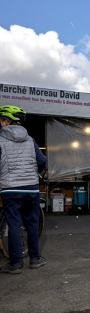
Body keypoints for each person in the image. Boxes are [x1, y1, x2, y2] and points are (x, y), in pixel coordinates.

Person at [0, 105, 47, 275]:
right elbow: (42, 161)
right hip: (31, 189)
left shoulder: (0, 139)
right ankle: (35, 259)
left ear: (6, 121)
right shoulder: (30, 140)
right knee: (31, 224)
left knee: (13, 224)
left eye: (1, 120)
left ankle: (15, 264)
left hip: (10, 188)